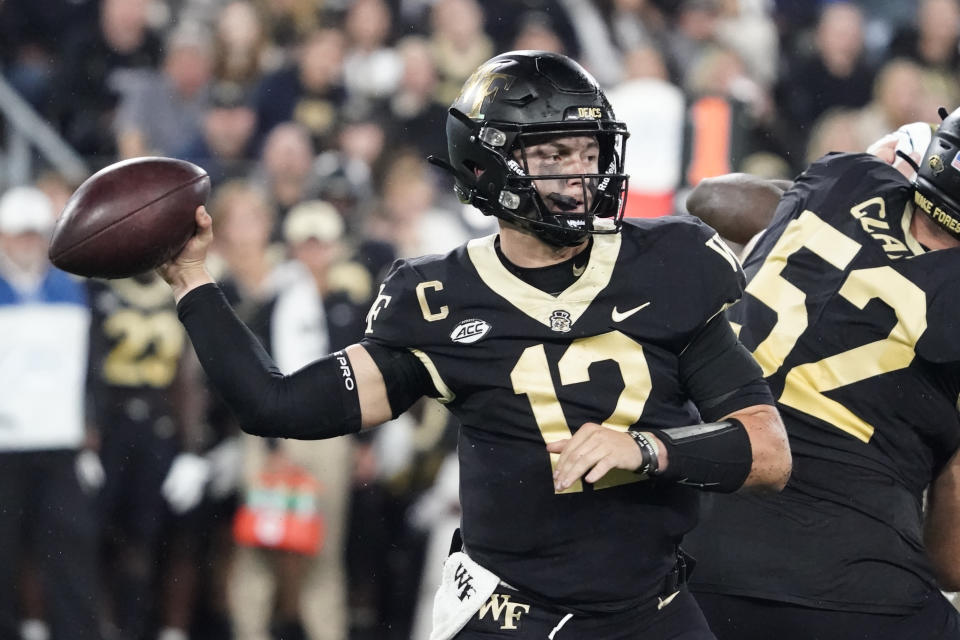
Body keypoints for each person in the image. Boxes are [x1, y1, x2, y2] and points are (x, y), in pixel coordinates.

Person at [158, 51, 791, 640]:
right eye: (553, 156)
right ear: (490, 166)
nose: (580, 177)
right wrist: (192, 280)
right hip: (512, 617)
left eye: (589, 153)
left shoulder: (669, 263)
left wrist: (646, 448)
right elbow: (276, 404)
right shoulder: (438, 297)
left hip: (654, 610)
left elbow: (768, 450)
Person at [683, 114, 960, 639]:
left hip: (685, 544)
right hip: (847, 583)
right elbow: (952, 561)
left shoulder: (843, 179)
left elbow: (709, 199)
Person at [0, 186, 101, 640]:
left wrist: (89, 427)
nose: (26, 244)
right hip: (4, 447)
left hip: (60, 443)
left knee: (69, 551)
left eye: (34, 235)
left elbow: (89, 368)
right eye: (18, 235)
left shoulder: (73, 292)